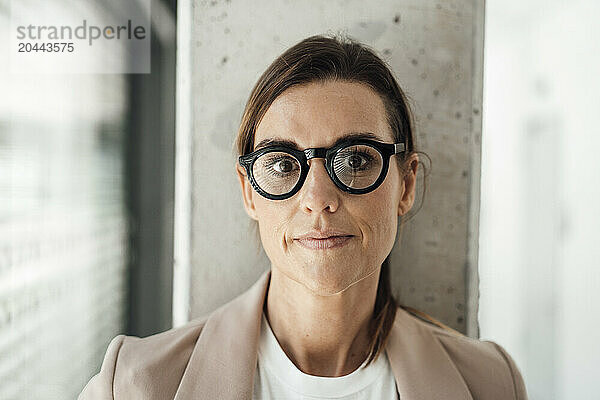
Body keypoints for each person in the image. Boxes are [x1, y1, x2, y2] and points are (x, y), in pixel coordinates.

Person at [79, 34, 528, 400]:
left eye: (355, 160)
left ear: (405, 186)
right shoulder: (136, 384)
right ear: (248, 193)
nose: (318, 198)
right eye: (281, 164)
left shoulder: (490, 384)